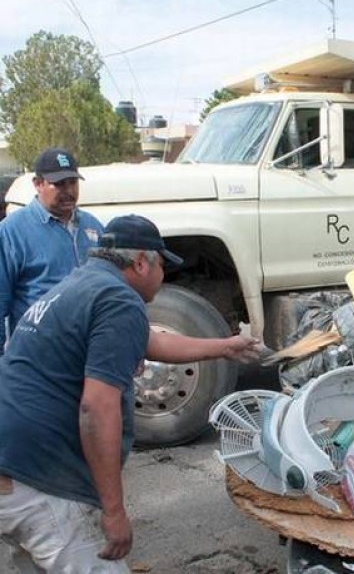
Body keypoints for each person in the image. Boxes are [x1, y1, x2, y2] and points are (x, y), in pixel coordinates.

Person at [0, 215, 193, 571]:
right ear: (140, 262)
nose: (163, 277)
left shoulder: (80, 284)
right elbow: (97, 408)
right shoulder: (120, 300)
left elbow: (148, 340)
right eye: (163, 266)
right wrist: (114, 511)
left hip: (10, 468)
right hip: (40, 477)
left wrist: (226, 345)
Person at [0, 147, 259, 361]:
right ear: (38, 183)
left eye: (72, 182)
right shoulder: (12, 232)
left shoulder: (92, 226)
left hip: (92, 348)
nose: (68, 191)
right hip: (43, 353)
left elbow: (123, 293)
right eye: (59, 184)